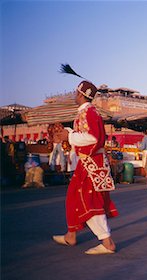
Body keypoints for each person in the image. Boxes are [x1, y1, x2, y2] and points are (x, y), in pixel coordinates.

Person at [52, 80, 118, 255]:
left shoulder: (89, 113)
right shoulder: (86, 113)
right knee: (74, 197)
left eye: (76, 93)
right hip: (87, 163)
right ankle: (71, 235)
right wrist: (68, 134)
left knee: (90, 201)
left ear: (81, 94)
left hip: (92, 164)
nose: (75, 95)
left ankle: (107, 242)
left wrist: (70, 136)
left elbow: (93, 138)